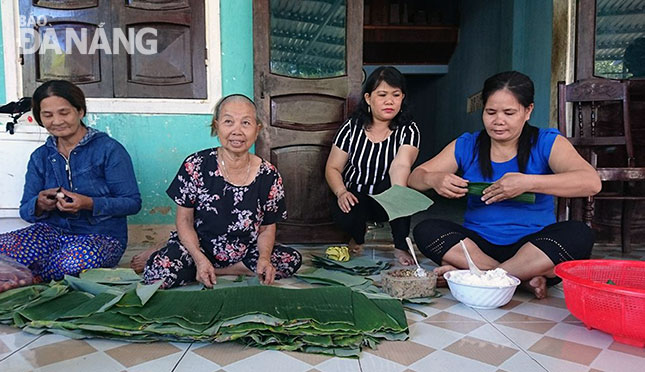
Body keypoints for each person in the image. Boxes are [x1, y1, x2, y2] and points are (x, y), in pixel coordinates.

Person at [408, 71, 602, 299]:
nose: (498, 120)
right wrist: (434, 179)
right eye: (491, 112)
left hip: (534, 246)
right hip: (478, 245)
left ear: (528, 111)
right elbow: (415, 177)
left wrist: (528, 182)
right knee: (426, 230)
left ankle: (482, 276)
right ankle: (520, 278)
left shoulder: (546, 141)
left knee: (580, 234)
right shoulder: (468, 144)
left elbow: (591, 182)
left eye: (509, 113)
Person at [137, 94, 302, 289]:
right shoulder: (196, 165)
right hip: (197, 248)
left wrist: (264, 258)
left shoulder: (269, 175)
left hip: (245, 250)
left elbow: (267, 228)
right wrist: (199, 258)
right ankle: (201, 265)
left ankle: (219, 270)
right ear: (216, 126)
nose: (237, 131)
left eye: (246, 123)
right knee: (157, 272)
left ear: (257, 130)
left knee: (290, 259)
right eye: (228, 122)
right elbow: (184, 220)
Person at [0, 80, 142, 283]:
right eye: (47, 115)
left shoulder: (109, 149)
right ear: (40, 118)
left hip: (100, 237)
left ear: (80, 112)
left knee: (73, 262)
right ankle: (31, 272)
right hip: (51, 233)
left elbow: (132, 202)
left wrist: (88, 203)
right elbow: (25, 210)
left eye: (64, 113)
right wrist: (39, 204)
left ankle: (25, 274)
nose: (56, 121)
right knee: (3, 247)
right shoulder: (40, 157)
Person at [325, 66, 420, 265]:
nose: (389, 101)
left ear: (403, 98)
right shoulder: (352, 127)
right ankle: (357, 238)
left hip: (385, 195)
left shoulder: (408, 130)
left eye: (396, 94)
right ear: (368, 98)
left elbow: (401, 165)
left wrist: (398, 197)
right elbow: (332, 167)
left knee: (401, 192)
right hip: (354, 195)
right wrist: (341, 192)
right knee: (350, 202)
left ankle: (401, 247)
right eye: (382, 94)